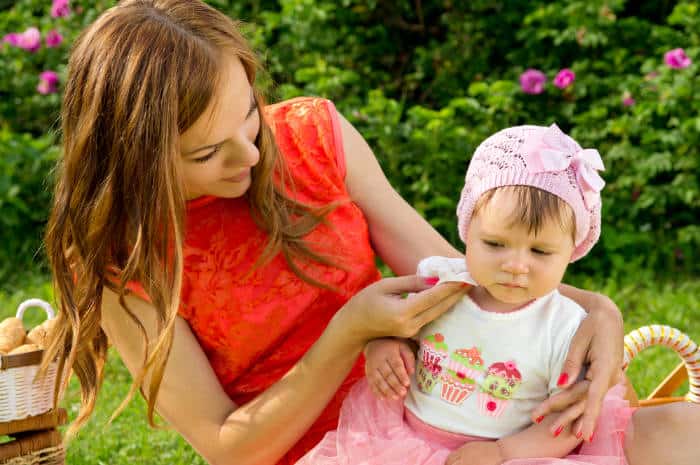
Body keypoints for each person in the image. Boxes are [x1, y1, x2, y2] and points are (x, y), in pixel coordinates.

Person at [40, 1, 697, 465]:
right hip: (330, 450)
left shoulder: (312, 135)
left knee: (684, 432)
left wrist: (598, 307)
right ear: (137, 156)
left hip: (462, 409)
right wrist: (348, 333)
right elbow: (226, 444)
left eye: (249, 118)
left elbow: (460, 271)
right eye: (207, 152)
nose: (249, 155)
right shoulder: (122, 264)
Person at [297, 123, 633, 465]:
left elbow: (563, 420)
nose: (516, 265)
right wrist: (385, 345)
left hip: (502, 453)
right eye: (495, 244)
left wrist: (504, 452)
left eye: (541, 252)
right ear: (468, 230)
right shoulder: (441, 283)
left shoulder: (565, 327)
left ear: (571, 252)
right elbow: (398, 325)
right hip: (402, 442)